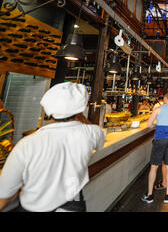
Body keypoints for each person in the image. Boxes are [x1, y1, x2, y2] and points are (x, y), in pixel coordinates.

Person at [0, 82, 105, 212]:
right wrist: (81, 117)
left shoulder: (27, 144)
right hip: (73, 204)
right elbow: (99, 141)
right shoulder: (91, 133)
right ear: (80, 109)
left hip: (33, 207)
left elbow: (4, 195)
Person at [142, 92, 168, 204]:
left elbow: (149, 124)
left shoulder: (158, 109)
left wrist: (157, 125)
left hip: (159, 140)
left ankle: (150, 195)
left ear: (165, 99)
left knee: (154, 167)